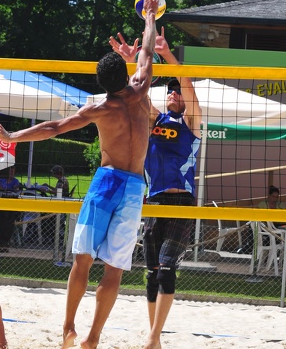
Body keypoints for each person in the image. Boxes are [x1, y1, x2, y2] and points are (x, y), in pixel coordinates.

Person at [0, 0, 159, 349]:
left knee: (82, 260)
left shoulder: (100, 108)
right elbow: (146, 51)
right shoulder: (142, 88)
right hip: (133, 188)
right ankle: (94, 337)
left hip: (107, 183)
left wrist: (13, 136)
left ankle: (69, 329)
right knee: (114, 268)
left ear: (102, 81)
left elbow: (52, 127)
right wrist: (149, 18)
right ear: (125, 74)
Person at [109, 27, 202, 349]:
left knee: (165, 270)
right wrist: (131, 62)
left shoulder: (192, 123)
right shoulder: (155, 120)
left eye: (177, 92)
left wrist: (167, 54)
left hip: (181, 202)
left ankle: (152, 337)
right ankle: (155, 337)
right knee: (150, 273)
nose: (174, 93)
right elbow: (136, 93)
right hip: (154, 202)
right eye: (170, 91)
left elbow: (189, 86)